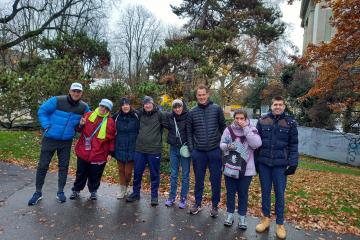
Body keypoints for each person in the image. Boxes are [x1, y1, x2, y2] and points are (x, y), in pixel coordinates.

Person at [28, 83, 90, 206]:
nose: (76, 93)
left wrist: (82, 124)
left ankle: (60, 192)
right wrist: (46, 126)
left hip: (66, 141)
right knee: (43, 166)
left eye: (79, 92)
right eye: (74, 91)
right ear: (70, 91)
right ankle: (37, 192)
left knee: (63, 166)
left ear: (81, 93)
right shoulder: (57, 100)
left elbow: (83, 126)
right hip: (50, 138)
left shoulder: (84, 107)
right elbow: (42, 111)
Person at [255, 96, 298, 239]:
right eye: (275, 104)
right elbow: (256, 143)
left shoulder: (290, 123)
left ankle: (280, 223)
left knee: (279, 194)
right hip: (264, 164)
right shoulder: (262, 120)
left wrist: (293, 163)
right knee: (265, 192)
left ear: (284, 106)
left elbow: (293, 145)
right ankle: (266, 219)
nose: (277, 107)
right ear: (271, 106)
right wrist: (255, 162)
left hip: (280, 166)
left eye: (280, 104)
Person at [187, 84, 226, 217]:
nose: (202, 97)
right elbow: (189, 132)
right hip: (199, 152)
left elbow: (223, 129)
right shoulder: (192, 112)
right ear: (196, 96)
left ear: (207, 94)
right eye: (199, 95)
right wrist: (192, 150)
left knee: (215, 179)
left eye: (204, 94)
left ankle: (215, 206)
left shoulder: (216, 109)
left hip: (215, 151)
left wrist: (222, 147)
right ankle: (197, 203)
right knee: (198, 179)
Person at [220, 109, 262, 229]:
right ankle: (229, 215)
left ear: (246, 119)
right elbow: (222, 145)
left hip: (246, 169)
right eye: (237, 118)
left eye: (242, 118)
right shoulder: (228, 130)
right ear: (234, 118)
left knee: (243, 194)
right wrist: (229, 146)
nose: (239, 121)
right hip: (230, 167)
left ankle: (242, 217)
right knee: (230, 193)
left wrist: (246, 129)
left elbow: (256, 144)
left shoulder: (252, 129)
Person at [69, 99, 115, 201]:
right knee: (81, 172)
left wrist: (111, 153)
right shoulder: (88, 115)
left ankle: (93, 191)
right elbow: (78, 130)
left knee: (95, 174)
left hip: (100, 153)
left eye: (106, 108)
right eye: (102, 106)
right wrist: (80, 124)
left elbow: (111, 139)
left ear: (109, 110)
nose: (103, 109)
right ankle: (76, 190)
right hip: (84, 150)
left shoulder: (110, 122)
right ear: (99, 105)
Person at [126, 96, 167, 206]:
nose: (147, 105)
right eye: (145, 104)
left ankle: (154, 196)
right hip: (140, 149)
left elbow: (170, 125)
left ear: (153, 104)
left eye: (149, 103)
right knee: (138, 173)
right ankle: (135, 193)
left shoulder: (160, 114)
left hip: (154, 150)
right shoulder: (140, 114)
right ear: (143, 105)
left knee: (154, 174)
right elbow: (127, 112)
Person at [164, 99, 190, 209]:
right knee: (173, 173)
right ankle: (171, 197)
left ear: (183, 107)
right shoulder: (170, 117)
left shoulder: (189, 116)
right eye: (175, 107)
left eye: (179, 106)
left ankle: (183, 198)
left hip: (185, 149)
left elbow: (192, 132)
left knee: (185, 175)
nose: (177, 109)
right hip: (173, 148)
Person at [112, 98, 139, 199]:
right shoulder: (116, 116)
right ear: (121, 107)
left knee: (128, 172)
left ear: (130, 105)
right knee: (120, 170)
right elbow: (109, 127)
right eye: (123, 105)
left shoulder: (137, 115)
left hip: (132, 147)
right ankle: (122, 190)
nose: (125, 106)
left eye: (127, 104)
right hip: (119, 146)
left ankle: (126, 187)